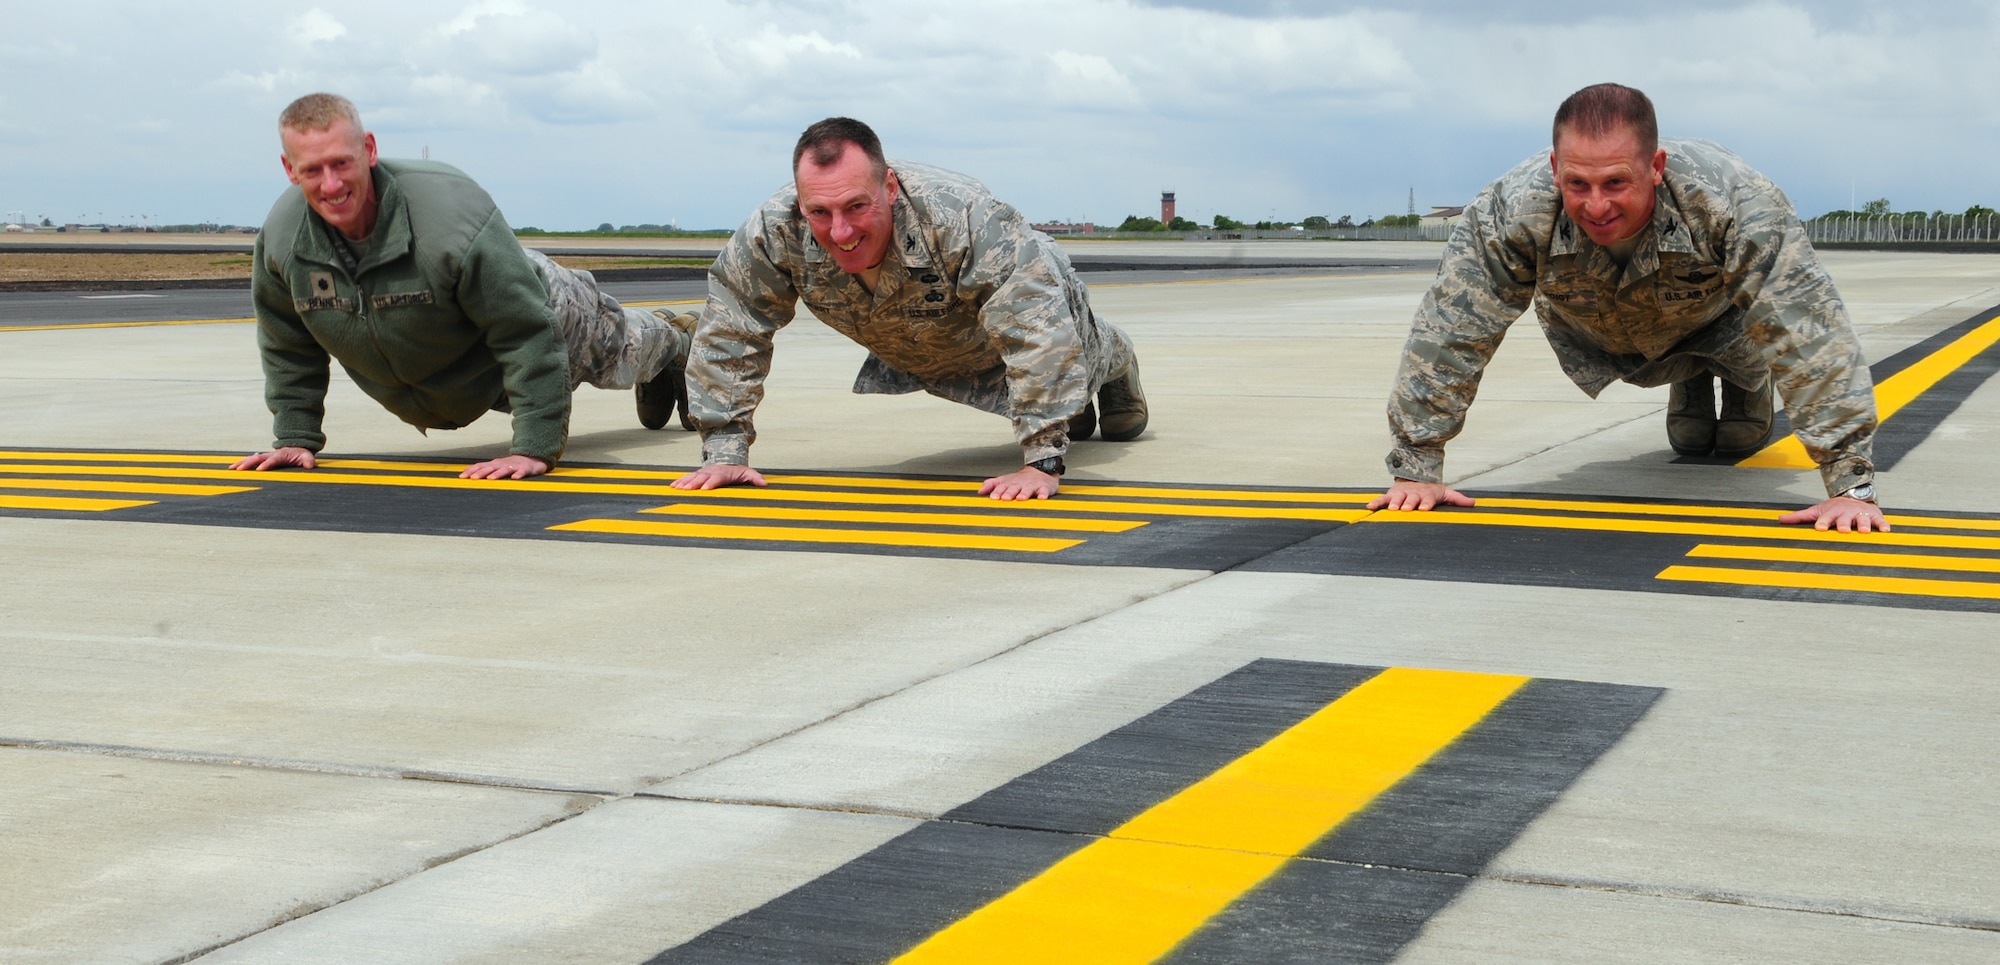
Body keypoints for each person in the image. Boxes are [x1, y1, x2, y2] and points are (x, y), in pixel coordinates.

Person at [1369, 83, 1889, 533]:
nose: (1597, 206)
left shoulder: (1734, 201)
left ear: (1655, 167)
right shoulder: (1510, 211)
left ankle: (1742, 384)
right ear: (1554, 169)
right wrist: (1417, 464)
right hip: (1601, 334)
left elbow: (1803, 325)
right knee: (1680, 416)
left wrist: (1850, 483)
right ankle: (1689, 382)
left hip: (1721, 326)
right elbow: (1453, 329)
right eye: (1578, 184)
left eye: (1616, 183)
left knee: (1739, 418)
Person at [671, 116, 1147, 501]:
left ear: (890, 187)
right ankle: (1072, 409)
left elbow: (1034, 327)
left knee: (1076, 361)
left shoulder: (964, 217)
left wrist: (1042, 460)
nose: (840, 231)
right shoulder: (772, 231)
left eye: (857, 207)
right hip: (918, 342)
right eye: (820, 212)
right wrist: (724, 450)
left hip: (1025, 301)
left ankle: (1115, 361)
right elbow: (732, 329)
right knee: (1062, 397)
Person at [230, 92, 695, 481]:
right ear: (290, 170)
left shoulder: (450, 220)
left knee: (619, 354)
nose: (331, 184)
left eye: (341, 163)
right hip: (458, 370)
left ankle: (678, 343)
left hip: (534, 301)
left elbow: (526, 331)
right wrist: (295, 436)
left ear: (369, 150)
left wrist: (534, 448)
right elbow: (287, 343)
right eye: (312, 170)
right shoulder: (283, 241)